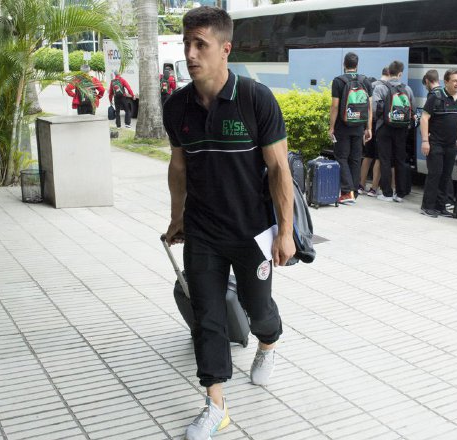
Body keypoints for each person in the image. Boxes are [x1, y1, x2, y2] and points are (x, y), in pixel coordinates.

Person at [162, 7, 294, 440]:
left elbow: (279, 171)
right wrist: (177, 217)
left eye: (200, 44)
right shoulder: (177, 106)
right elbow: (178, 167)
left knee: (258, 311)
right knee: (208, 316)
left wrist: (286, 233)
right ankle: (215, 404)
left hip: (253, 234)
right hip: (203, 232)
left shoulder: (255, 99)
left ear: (225, 48)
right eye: (187, 44)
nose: (190, 53)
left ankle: (269, 342)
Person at [420, 69, 457, 218]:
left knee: (446, 176)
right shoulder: (436, 97)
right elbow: (424, 118)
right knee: (435, 174)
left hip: (451, 145)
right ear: (446, 82)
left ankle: (440, 207)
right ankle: (427, 206)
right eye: (454, 80)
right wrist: (425, 141)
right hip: (435, 143)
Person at [329, 52, 373, 204]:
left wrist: (331, 127)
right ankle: (354, 191)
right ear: (357, 65)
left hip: (343, 126)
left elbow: (335, 106)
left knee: (341, 157)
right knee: (355, 159)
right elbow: (369, 108)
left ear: (344, 64)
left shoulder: (338, 81)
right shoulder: (365, 81)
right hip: (359, 126)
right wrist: (369, 128)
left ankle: (347, 192)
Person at [373, 60, 415, 203]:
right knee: (400, 160)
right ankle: (400, 193)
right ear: (400, 74)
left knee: (385, 159)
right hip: (401, 129)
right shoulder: (407, 89)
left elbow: (375, 110)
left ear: (388, 72)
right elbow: (413, 109)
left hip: (384, 128)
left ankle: (387, 193)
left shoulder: (380, 88)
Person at [359, 66, 388, 197]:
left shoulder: (372, 85)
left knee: (367, 155)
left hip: (370, 123)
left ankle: (361, 184)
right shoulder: (390, 87)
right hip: (382, 126)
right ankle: (374, 188)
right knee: (378, 157)